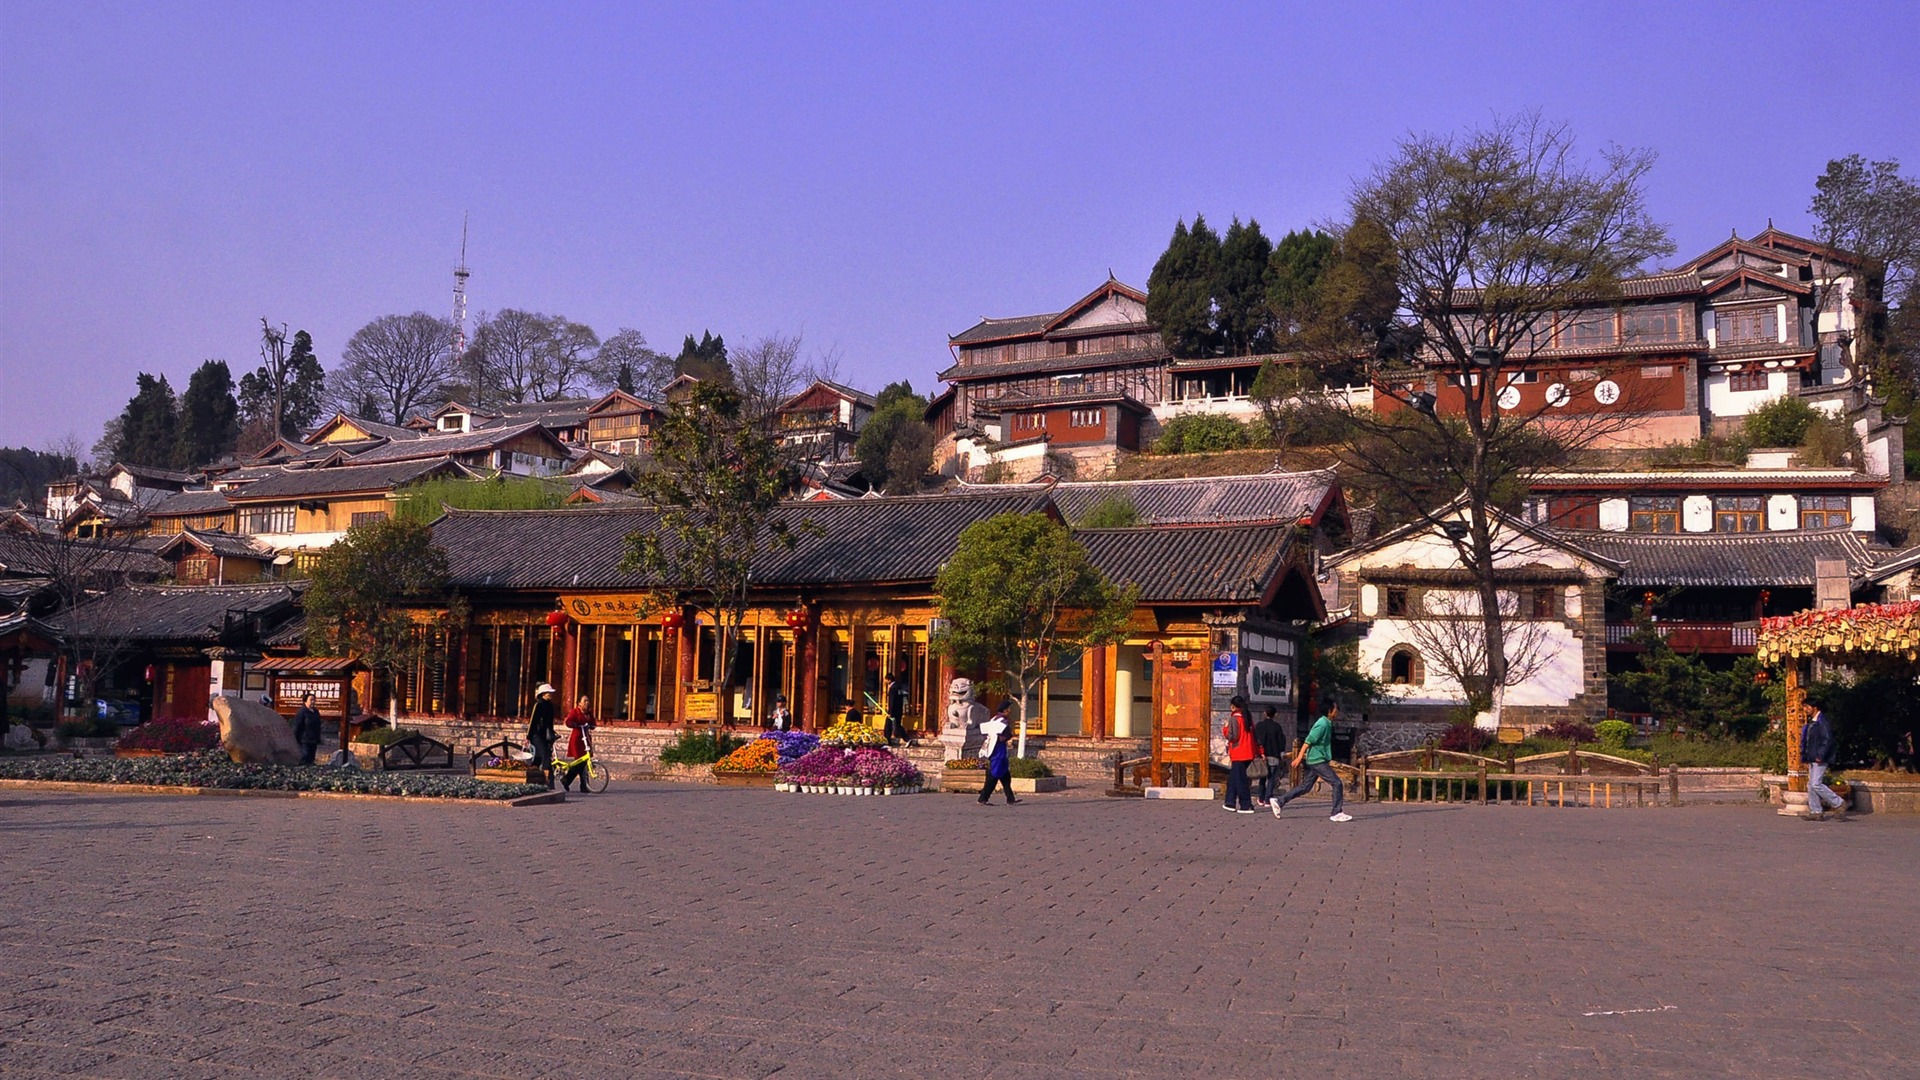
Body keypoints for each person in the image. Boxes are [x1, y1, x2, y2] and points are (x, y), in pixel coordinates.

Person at [1272, 700, 1350, 823]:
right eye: (1335, 709)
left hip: (1317, 759)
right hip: (1317, 760)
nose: (1337, 712)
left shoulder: (1327, 723)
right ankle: (1336, 812)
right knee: (1337, 783)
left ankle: (1279, 801)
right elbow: (1308, 741)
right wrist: (1298, 757)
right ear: (1330, 711)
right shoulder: (1322, 724)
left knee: (1305, 787)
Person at [1801, 693, 1846, 821]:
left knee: (1816, 784)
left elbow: (1827, 739)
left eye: (1807, 707)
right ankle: (1816, 811)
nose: (1805, 710)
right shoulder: (1813, 722)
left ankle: (1838, 803)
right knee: (1811, 785)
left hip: (1820, 758)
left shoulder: (1822, 721)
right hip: (1812, 757)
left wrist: (1821, 755)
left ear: (1814, 707)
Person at [1221, 694, 1257, 814]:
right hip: (1248, 751)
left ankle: (1246, 804)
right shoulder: (1247, 718)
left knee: (1240, 779)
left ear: (1233, 706)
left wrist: (1225, 729)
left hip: (1239, 752)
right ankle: (1230, 801)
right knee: (1234, 778)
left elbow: (1233, 737)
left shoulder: (1234, 719)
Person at [977, 701, 1018, 805]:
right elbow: (1006, 735)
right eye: (1008, 709)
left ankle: (1010, 798)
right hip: (998, 749)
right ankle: (983, 798)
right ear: (1005, 710)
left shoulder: (993, 719)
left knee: (1005, 775)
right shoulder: (1003, 721)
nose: (1009, 711)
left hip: (995, 748)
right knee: (994, 775)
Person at [1252, 704, 1288, 808]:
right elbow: (1282, 741)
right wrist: (1281, 752)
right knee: (1271, 778)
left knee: (1262, 777)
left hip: (1262, 755)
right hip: (1274, 755)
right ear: (1275, 715)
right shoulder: (1277, 727)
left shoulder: (1259, 726)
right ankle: (1268, 799)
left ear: (1265, 713)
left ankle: (1261, 798)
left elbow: (1256, 740)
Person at [559, 694, 596, 794]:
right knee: (580, 762)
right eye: (585, 701)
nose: (587, 703)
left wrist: (591, 725)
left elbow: (593, 723)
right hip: (577, 739)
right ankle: (584, 785)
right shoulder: (575, 712)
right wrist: (575, 725)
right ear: (579, 703)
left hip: (586, 739)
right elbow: (568, 721)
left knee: (584, 762)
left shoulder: (588, 713)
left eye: (588, 701)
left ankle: (567, 781)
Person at [527, 683, 559, 790]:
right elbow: (533, 721)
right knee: (545, 756)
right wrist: (528, 736)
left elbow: (550, 723)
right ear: (543, 694)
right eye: (548, 692)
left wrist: (552, 733)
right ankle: (547, 783)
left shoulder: (550, 706)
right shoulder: (538, 705)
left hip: (545, 735)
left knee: (539, 758)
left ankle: (531, 779)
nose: (550, 694)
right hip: (536, 735)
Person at [291, 692, 324, 766]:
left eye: (314, 700)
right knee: (305, 757)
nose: (313, 702)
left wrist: (318, 738)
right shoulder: (302, 712)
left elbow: (318, 725)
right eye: (311, 700)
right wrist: (295, 739)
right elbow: (297, 725)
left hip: (314, 739)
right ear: (305, 701)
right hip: (304, 740)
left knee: (311, 758)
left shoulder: (315, 711)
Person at [884, 671, 909, 746]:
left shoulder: (893, 688)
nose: (885, 682)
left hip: (893, 710)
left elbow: (892, 700)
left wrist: (890, 712)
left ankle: (887, 741)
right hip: (899, 710)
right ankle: (907, 739)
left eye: (886, 680)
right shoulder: (899, 687)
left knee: (888, 725)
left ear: (889, 680)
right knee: (897, 725)